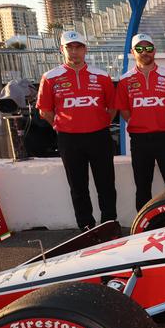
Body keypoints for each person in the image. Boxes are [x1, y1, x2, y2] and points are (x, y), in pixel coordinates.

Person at [36, 30, 117, 230]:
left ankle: (109, 223)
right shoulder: (50, 77)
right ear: (62, 50)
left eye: (78, 47)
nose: (74, 51)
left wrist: (101, 122)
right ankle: (86, 227)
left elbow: (113, 106)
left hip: (99, 137)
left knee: (106, 184)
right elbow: (45, 110)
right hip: (69, 139)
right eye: (69, 47)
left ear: (85, 49)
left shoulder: (102, 75)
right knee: (78, 187)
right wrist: (60, 125)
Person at [116, 33, 165, 212]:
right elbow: (123, 109)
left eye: (148, 48)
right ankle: (143, 227)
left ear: (154, 51)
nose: (144, 52)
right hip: (139, 140)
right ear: (133, 52)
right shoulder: (125, 80)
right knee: (142, 186)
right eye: (139, 48)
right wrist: (136, 122)